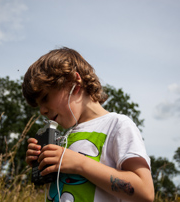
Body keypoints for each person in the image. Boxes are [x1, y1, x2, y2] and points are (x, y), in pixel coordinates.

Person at [22, 47, 154, 202]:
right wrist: (42, 164)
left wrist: (80, 164)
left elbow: (145, 192)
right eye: (38, 105)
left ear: (74, 83)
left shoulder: (118, 126)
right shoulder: (64, 137)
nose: (42, 110)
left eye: (45, 98)